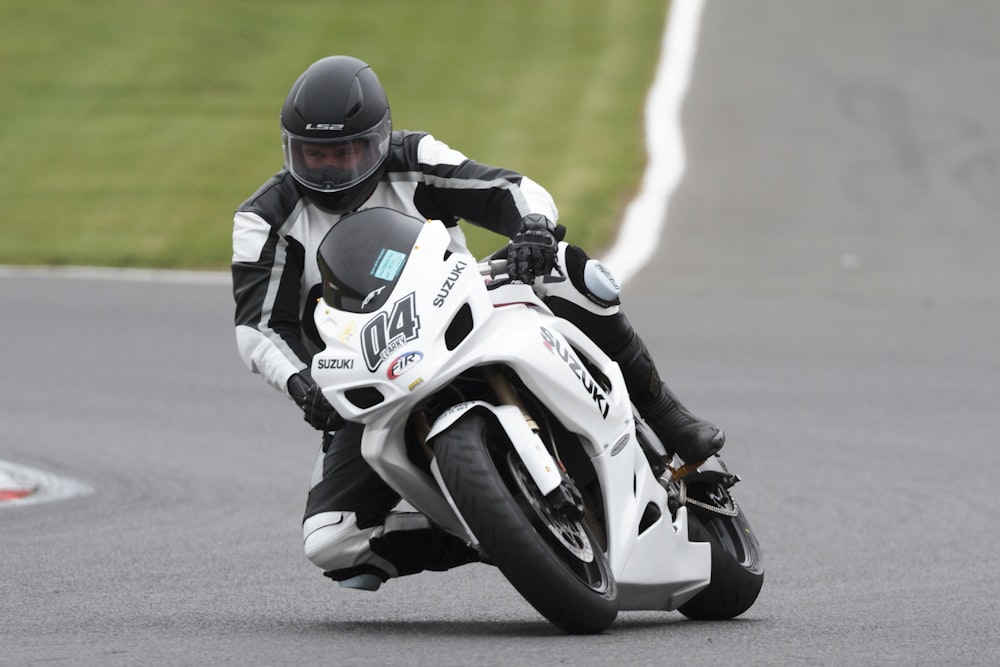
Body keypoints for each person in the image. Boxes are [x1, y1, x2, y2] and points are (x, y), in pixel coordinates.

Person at [231, 55, 724, 590]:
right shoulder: (264, 219)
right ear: (289, 149)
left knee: (574, 269)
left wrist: (533, 228)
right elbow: (259, 327)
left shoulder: (412, 158)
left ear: (376, 141)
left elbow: (508, 189)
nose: (328, 169)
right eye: (313, 155)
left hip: (464, 307)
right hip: (372, 371)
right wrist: (302, 383)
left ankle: (667, 414)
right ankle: (493, 531)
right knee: (332, 541)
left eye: (344, 153)